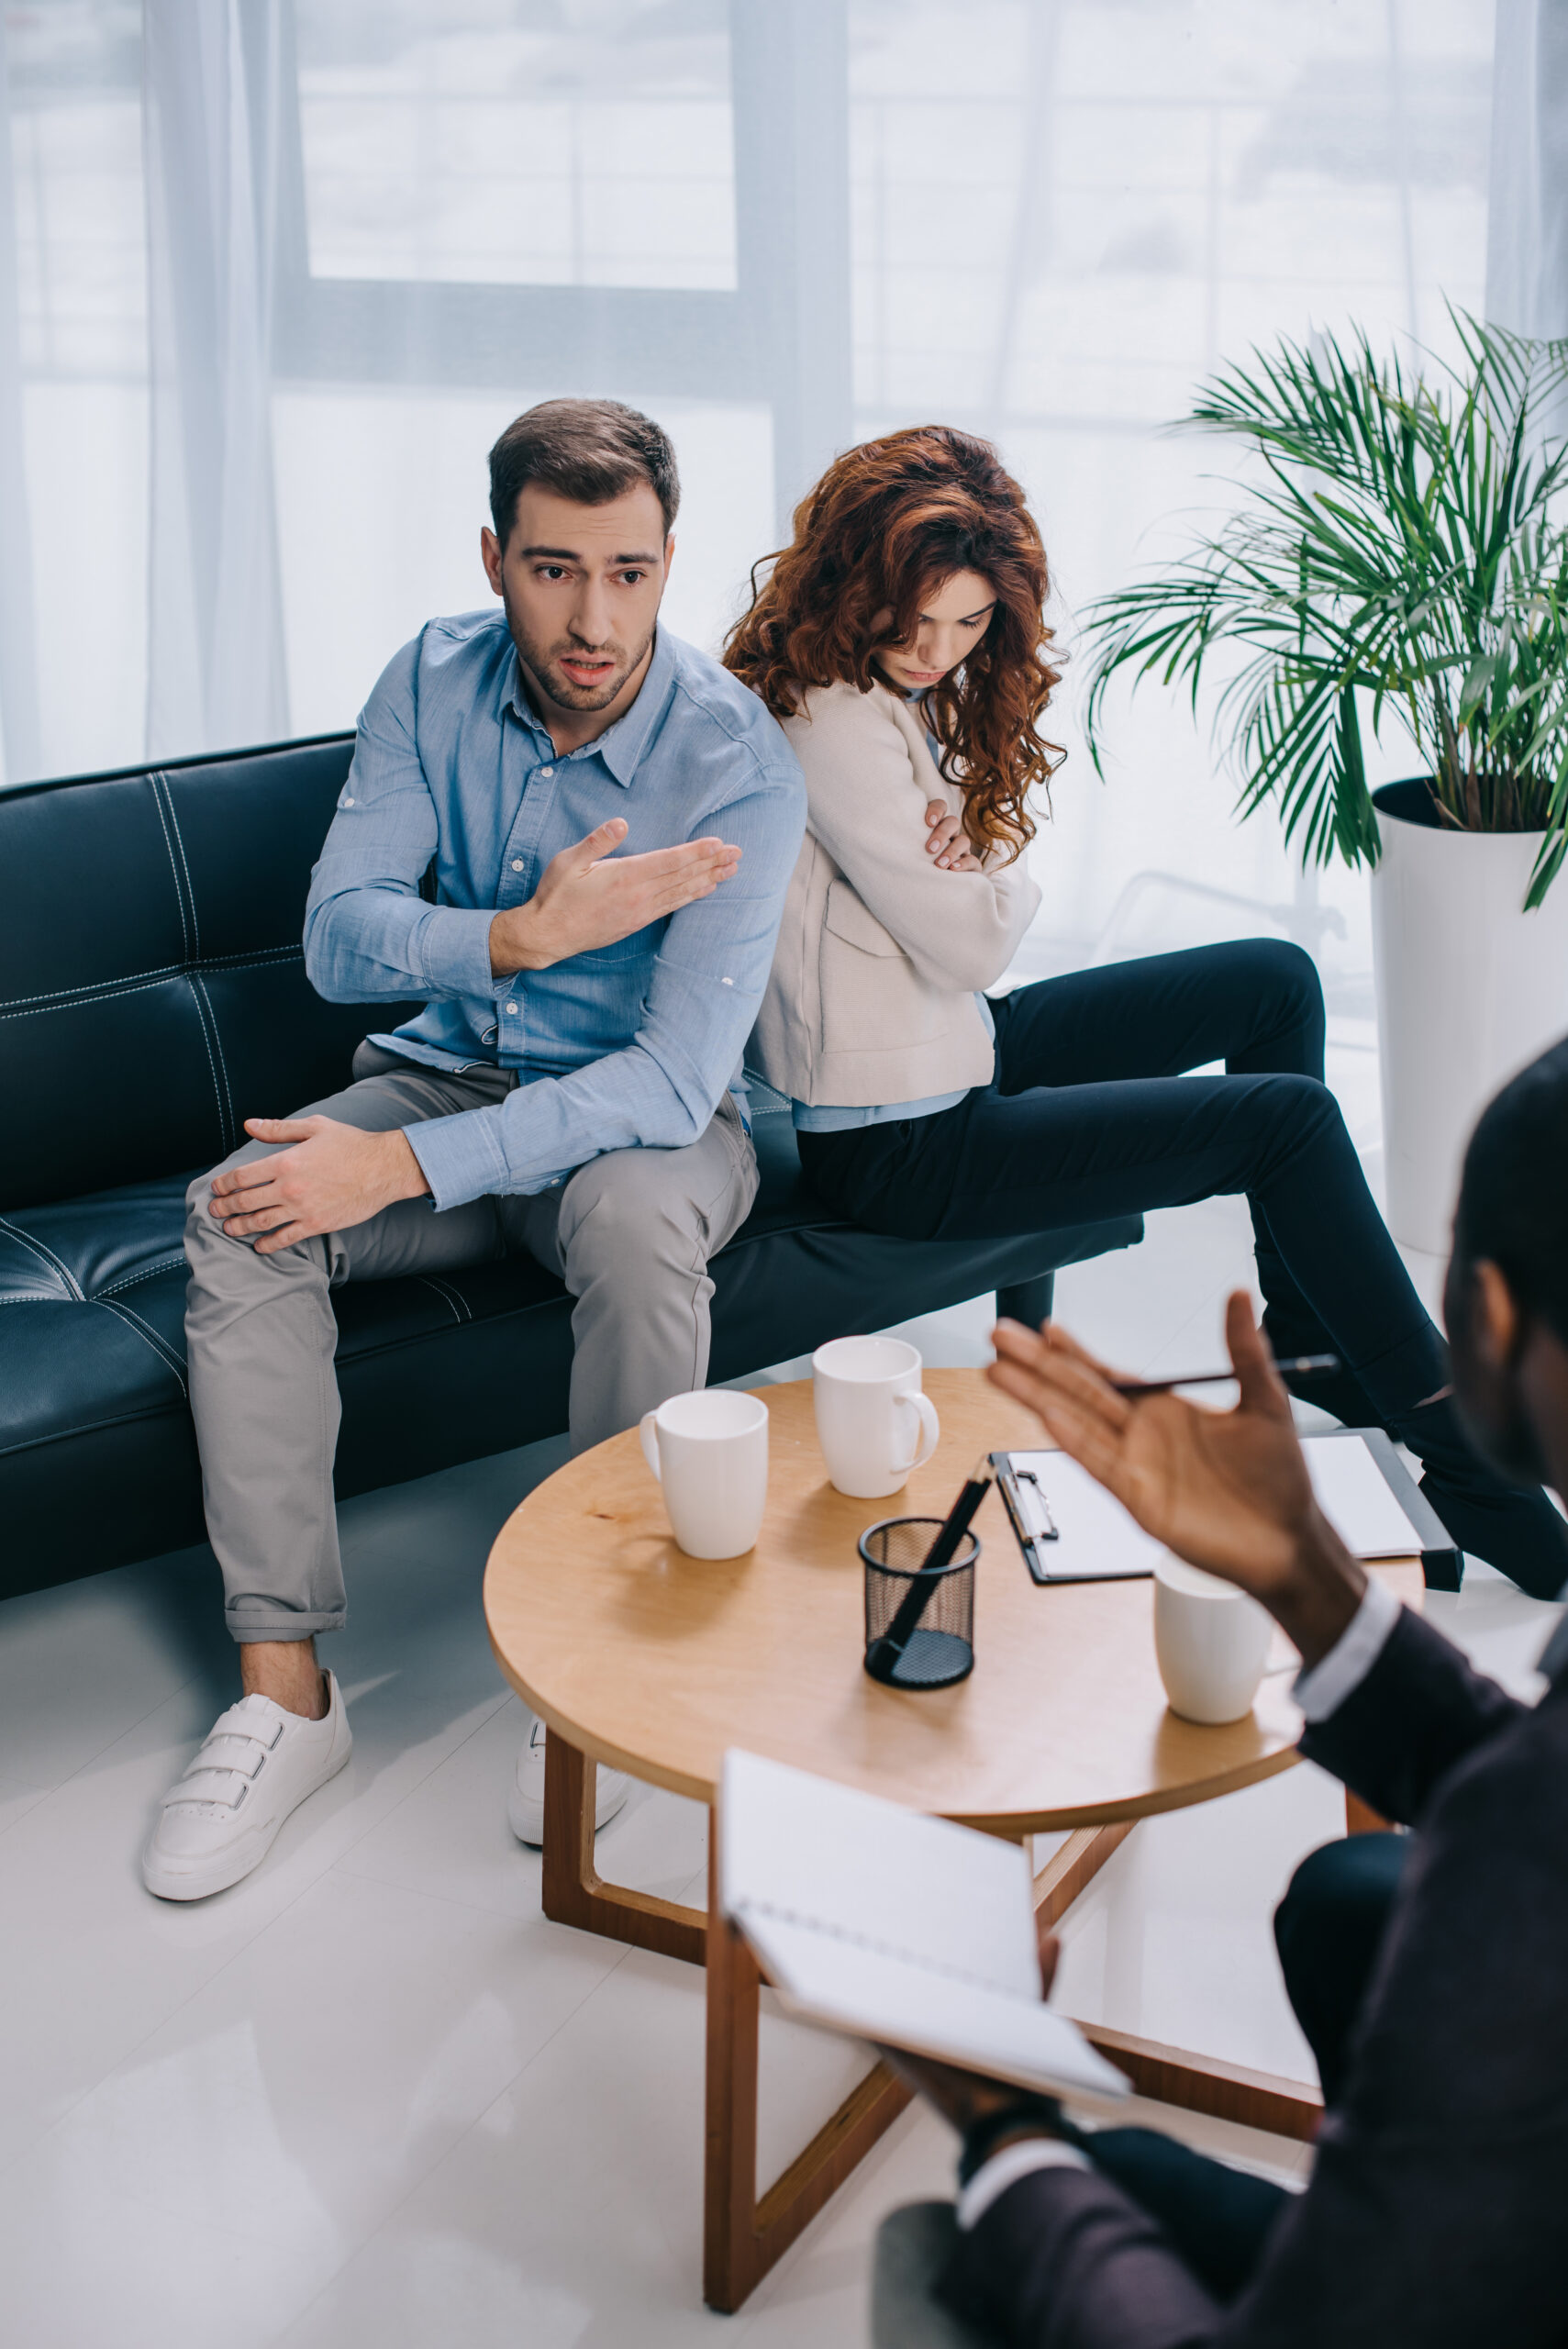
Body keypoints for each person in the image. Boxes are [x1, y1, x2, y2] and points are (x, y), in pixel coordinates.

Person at [143, 398, 805, 1901]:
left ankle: (601, 1674)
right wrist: (508, 939)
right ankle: (284, 1698)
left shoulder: (737, 762)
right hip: (444, 1081)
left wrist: (398, 1170)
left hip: (639, 1130)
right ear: (495, 556)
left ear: (669, 561)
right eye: (555, 569)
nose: (594, 620)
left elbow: (671, 1078)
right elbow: (337, 943)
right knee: (238, 1209)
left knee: (633, 1227)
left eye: (629, 573)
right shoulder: (428, 679)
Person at [727, 422, 1568, 1598]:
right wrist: (979, 850)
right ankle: (1465, 1459)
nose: (936, 651)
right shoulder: (826, 714)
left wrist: (965, 842)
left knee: (1274, 979)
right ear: (852, 575)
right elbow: (974, 937)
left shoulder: (861, 679)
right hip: (897, 1139)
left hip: (945, 1048)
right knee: (1284, 1124)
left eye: (968, 625)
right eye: (916, 620)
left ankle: (1311, 1345)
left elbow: (959, 910)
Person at [885, 1035, 1568, 2348]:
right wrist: (1303, 1572)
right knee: (1346, 1903)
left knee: (993, 2230)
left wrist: (998, 2115)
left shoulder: (1512, 1869)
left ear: (1483, 1314)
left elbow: (1521, 1829)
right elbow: (1534, 1788)